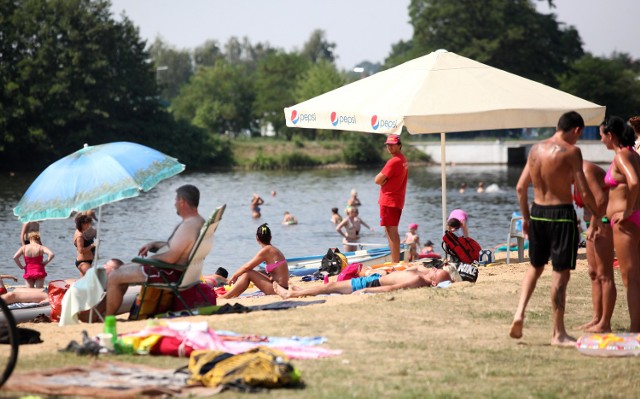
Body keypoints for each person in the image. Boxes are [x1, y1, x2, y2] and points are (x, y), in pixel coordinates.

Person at [509, 111, 602, 346]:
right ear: (577, 130)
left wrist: (527, 218)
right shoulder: (571, 152)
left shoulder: (535, 150)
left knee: (535, 266)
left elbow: (521, 188)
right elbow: (582, 190)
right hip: (561, 215)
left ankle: (519, 312)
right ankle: (558, 333)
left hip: (538, 212)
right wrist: (597, 216)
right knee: (560, 273)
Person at [105, 184, 205, 316]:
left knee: (114, 275)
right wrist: (154, 244)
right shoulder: (198, 222)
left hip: (167, 273)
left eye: (176, 200)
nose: (174, 204)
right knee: (121, 271)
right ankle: (106, 311)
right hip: (175, 271)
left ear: (182, 202)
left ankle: (108, 318)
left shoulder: (188, 226)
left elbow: (171, 257)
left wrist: (148, 261)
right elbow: (178, 247)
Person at [600, 116, 640, 332]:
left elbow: (633, 181)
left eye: (601, 136)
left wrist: (627, 210)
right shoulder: (634, 154)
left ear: (611, 135)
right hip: (635, 218)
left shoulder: (622, 156)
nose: (601, 141)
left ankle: (635, 329)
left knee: (630, 278)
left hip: (627, 222)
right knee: (636, 276)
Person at [574, 161, 615, 333]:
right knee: (593, 272)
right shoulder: (572, 175)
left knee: (604, 274)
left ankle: (605, 322)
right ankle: (596, 319)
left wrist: (592, 225)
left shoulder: (586, 171)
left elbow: (601, 201)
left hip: (602, 222)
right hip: (591, 223)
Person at [273, 265, 453, 299]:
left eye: (438, 272)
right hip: (375, 279)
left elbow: (392, 288)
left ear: (434, 283)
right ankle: (304, 290)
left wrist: (367, 292)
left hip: (371, 285)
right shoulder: (422, 274)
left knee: (330, 286)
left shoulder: (418, 279)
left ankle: (291, 294)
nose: (436, 269)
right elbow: (418, 267)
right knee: (330, 287)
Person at [221, 224, 289, 299]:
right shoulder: (273, 249)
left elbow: (247, 266)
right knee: (250, 272)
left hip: (279, 289)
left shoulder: (266, 250)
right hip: (281, 286)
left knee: (248, 273)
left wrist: (234, 276)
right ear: (270, 237)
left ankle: (227, 296)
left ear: (257, 238)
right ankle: (231, 295)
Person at [375, 134, 408, 263]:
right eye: (388, 144)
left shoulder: (394, 161)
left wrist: (384, 181)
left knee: (391, 230)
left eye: (393, 144)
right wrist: (386, 180)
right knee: (390, 230)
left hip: (389, 199)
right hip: (396, 199)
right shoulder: (402, 159)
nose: (390, 147)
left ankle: (395, 262)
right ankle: (395, 261)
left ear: (399, 145)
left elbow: (377, 180)